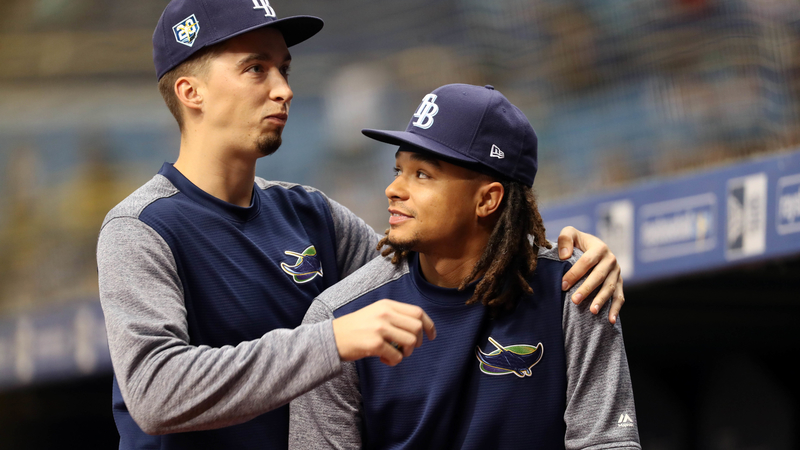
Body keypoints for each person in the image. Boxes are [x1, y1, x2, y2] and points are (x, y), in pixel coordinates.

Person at [97, 1, 626, 449]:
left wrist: (557, 250)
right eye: (256, 69)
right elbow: (156, 393)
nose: (283, 88)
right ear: (192, 93)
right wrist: (333, 340)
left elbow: (442, 253)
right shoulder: (140, 228)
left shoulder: (314, 215)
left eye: (285, 68)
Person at [289, 84, 640, 449]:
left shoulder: (572, 289)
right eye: (398, 169)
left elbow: (606, 442)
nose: (394, 188)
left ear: (487, 199)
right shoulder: (339, 320)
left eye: (422, 174)